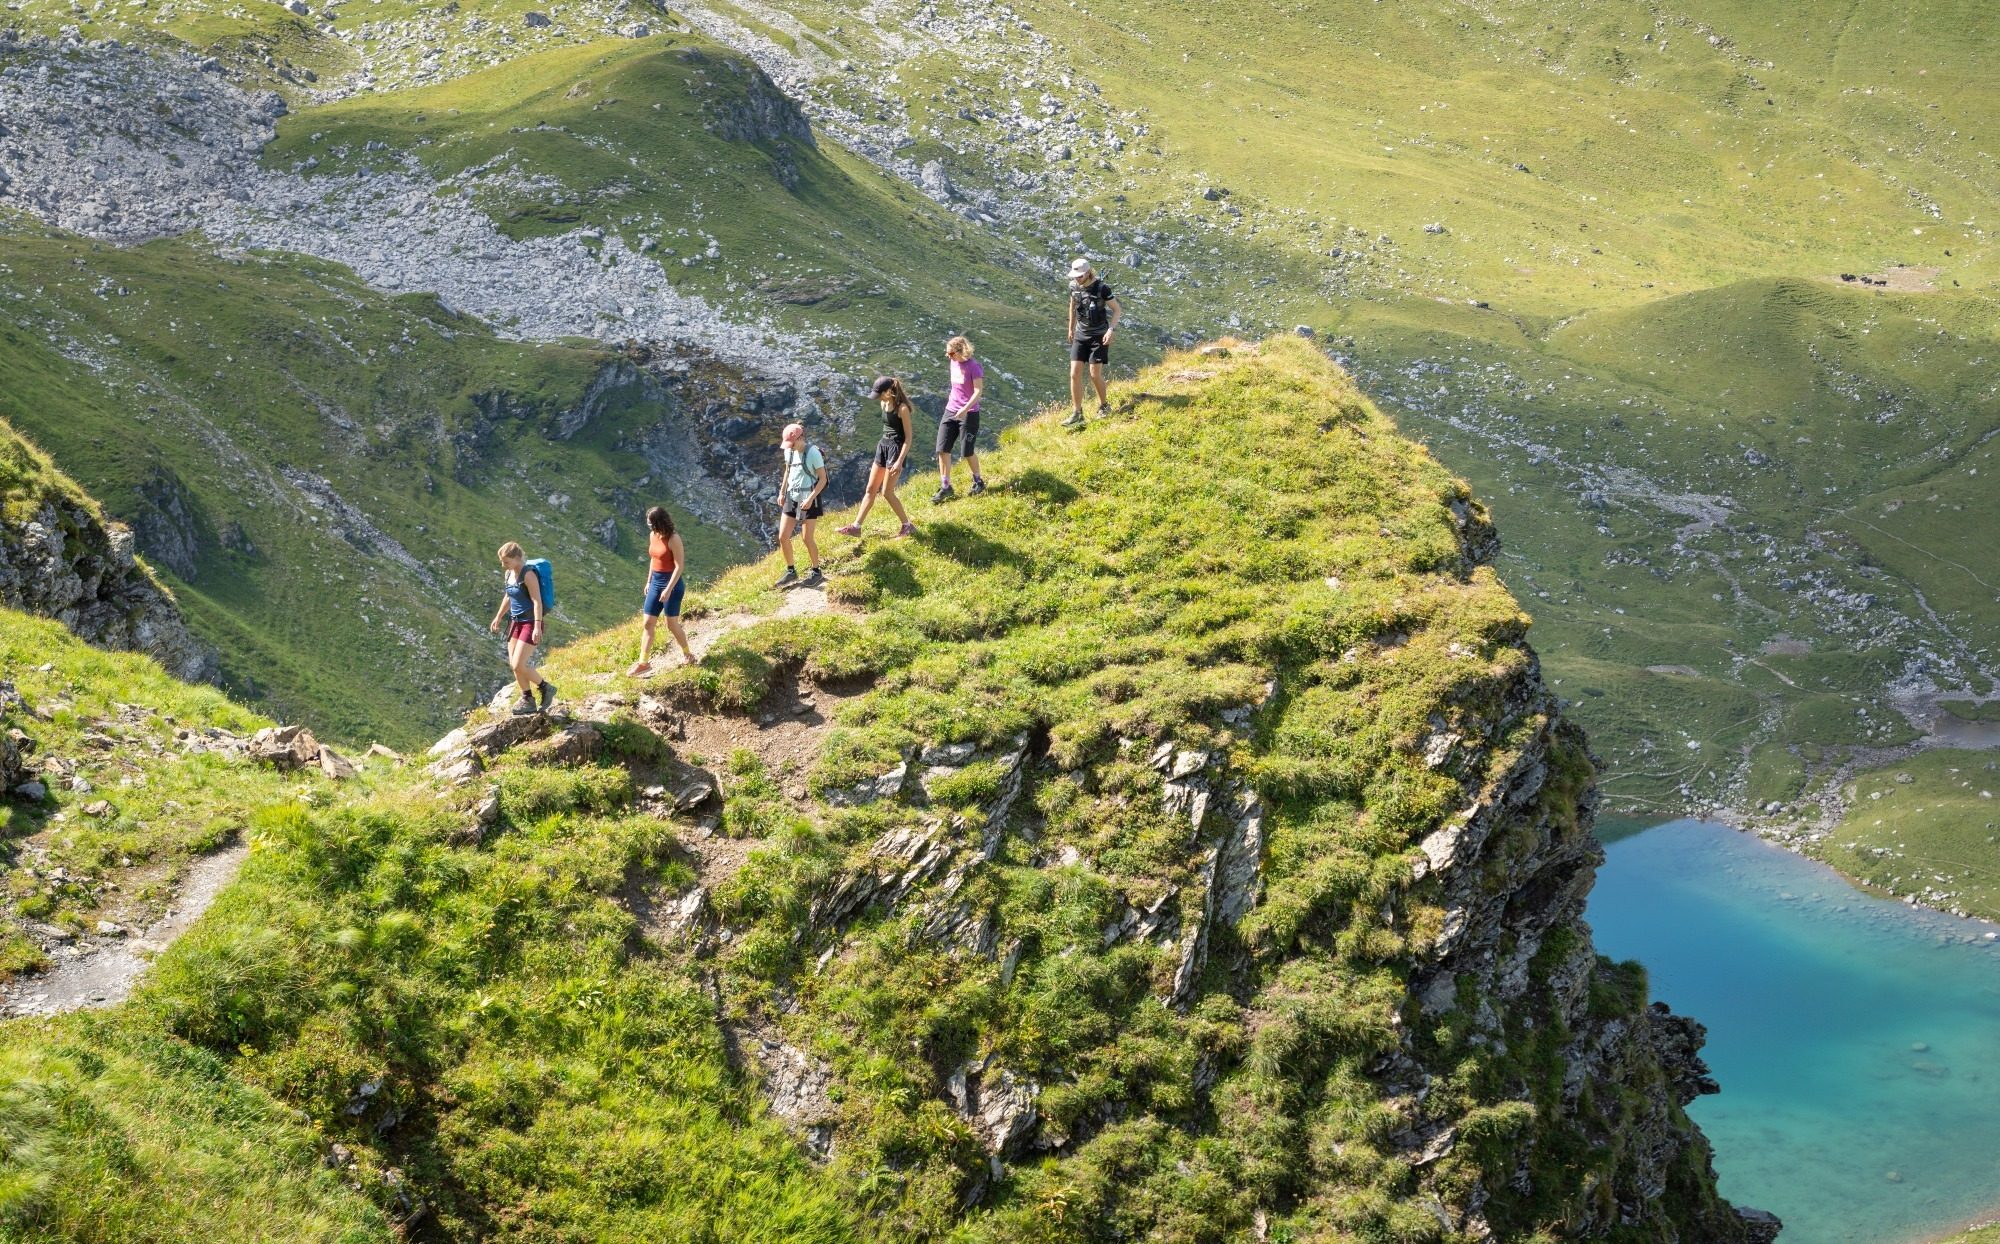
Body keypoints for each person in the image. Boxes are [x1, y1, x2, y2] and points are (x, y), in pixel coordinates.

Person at [835, 377, 916, 539]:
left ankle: (907, 526)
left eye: (880, 394)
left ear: (889, 392)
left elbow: (908, 438)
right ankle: (856, 527)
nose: (878, 397)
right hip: (883, 446)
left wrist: (899, 461)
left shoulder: (902, 409)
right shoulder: (883, 403)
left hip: (896, 449)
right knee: (871, 489)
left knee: (886, 492)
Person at [489, 542, 556, 715]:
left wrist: (537, 625)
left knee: (519, 663)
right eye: (502, 561)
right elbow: (508, 596)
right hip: (515, 622)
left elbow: (537, 601)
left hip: (530, 622)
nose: (503, 565)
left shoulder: (528, 574)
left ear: (517, 558)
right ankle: (527, 698)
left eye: (506, 561)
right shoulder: (508, 574)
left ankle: (546, 688)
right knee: (514, 665)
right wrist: (498, 617)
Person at [629, 506, 695, 676]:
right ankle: (643, 663)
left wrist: (668, 588)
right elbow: (653, 559)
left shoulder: (674, 539)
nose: (649, 526)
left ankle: (688, 654)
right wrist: (649, 581)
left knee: (671, 624)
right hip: (656, 583)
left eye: (651, 523)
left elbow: (679, 566)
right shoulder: (653, 535)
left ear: (659, 522)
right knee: (648, 623)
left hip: (671, 584)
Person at [1062, 257, 1121, 430]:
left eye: (1080, 276)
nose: (1077, 279)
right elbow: (1072, 305)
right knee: (1074, 374)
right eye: (1075, 276)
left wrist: (1111, 330)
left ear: (1088, 273)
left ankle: (1104, 406)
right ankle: (1077, 413)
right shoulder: (1073, 286)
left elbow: (1116, 310)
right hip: (1081, 334)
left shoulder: (1102, 288)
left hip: (1098, 336)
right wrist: (1071, 328)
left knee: (1094, 374)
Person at [932, 335, 986, 503]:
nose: (948, 356)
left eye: (951, 353)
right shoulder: (953, 362)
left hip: (969, 413)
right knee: (942, 449)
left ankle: (978, 482)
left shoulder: (974, 366)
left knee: (967, 451)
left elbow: (978, 391)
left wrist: (965, 409)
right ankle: (946, 487)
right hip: (951, 410)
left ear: (961, 351)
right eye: (947, 353)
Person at [774, 422, 828, 588]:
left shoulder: (812, 452)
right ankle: (791, 571)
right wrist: (782, 492)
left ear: (800, 438)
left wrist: (811, 498)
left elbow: (823, 479)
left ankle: (816, 571)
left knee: (806, 538)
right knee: (783, 536)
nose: (790, 447)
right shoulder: (789, 452)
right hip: (792, 495)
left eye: (792, 443)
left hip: (808, 497)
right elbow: (787, 471)